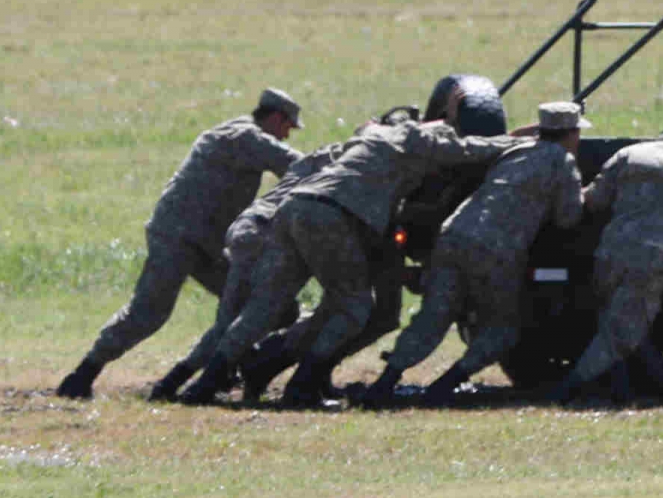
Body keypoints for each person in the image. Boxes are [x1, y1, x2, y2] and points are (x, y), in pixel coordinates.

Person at [187, 108, 517, 408]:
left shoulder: (374, 135)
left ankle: (206, 383)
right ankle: (302, 386)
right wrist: (520, 140)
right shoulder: (417, 138)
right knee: (355, 306)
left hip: (296, 206)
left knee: (266, 305)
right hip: (330, 215)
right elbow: (470, 149)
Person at [55, 89, 302, 399]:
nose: (287, 136)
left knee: (264, 303)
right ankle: (83, 374)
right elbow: (295, 164)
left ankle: (219, 370)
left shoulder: (237, 134)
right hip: (179, 236)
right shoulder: (245, 137)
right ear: (276, 118)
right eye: (288, 128)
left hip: (206, 241)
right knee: (149, 312)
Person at [359, 102, 588, 404]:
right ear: (571, 134)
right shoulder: (562, 162)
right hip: (495, 249)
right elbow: (568, 218)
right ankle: (443, 387)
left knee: (433, 316)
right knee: (503, 328)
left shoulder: (516, 150)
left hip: (453, 234)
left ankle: (384, 385)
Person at [145, 127, 344, 402]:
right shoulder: (347, 170)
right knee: (257, 316)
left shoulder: (315, 158)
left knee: (227, 321)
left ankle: (170, 383)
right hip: (270, 235)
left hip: (245, 227)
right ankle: (205, 385)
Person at [558, 120, 663, 403]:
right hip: (652, 256)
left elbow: (593, 199)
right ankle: (570, 388)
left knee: (612, 320)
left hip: (611, 251)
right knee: (621, 333)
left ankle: (620, 390)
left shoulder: (629, 154)